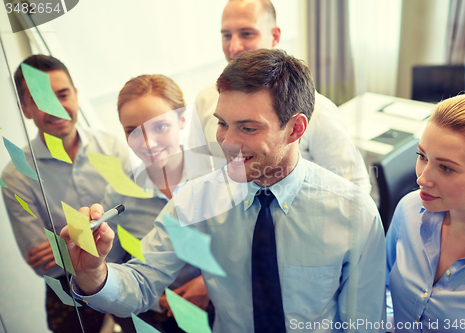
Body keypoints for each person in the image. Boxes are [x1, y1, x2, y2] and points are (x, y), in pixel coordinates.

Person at [62, 49, 385, 333]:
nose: (227, 142)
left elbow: (362, 322)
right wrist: (95, 274)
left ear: (295, 129)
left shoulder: (352, 212)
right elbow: (144, 282)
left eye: (247, 127)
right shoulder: (198, 198)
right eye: (222, 123)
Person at [1, 55, 130, 332]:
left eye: (62, 94)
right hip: (69, 292)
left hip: (127, 273)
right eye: (40, 99)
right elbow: (44, 264)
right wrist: (102, 232)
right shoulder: (16, 175)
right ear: (25, 109)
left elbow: (136, 223)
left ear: (76, 95)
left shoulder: (112, 147)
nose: (56, 108)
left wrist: (65, 242)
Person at [190, 0, 371, 192]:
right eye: (227, 35)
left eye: (247, 34)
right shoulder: (206, 100)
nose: (234, 47)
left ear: (274, 36)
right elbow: (197, 174)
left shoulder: (318, 111)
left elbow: (355, 188)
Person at [103, 74, 218, 332]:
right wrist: (157, 301)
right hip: (164, 319)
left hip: (229, 306)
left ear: (182, 120)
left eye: (160, 127)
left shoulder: (217, 174)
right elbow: (114, 266)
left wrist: (207, 285)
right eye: (132, 130)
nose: (147, 143)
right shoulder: (118, 196)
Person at [386, 94, 465, 332]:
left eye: (446, 168)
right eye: (422, 156)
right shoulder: (408, 209)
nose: (421, 178)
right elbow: (382, 286)